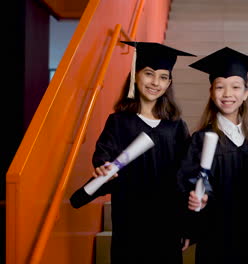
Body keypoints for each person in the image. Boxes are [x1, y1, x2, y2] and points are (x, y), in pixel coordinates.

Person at [69, 41, 195, 264]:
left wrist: (186, 225)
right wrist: (103, 166)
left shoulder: (176, 126)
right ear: (135, 75)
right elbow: (104, 154)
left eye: (163, 77)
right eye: (149, 74)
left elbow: (185, 176)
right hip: (130, 217)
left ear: (169, 83)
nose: (155, 82)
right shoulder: (118, 122)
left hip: (166, 221)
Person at [176, 47, 248, 264]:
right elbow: (185, 181)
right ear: (211, 92)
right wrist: (196, 196)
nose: (228, 94)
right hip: (215, 234)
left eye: (236, 87)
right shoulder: (200, 139)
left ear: (246, 93)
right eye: (220, 87)